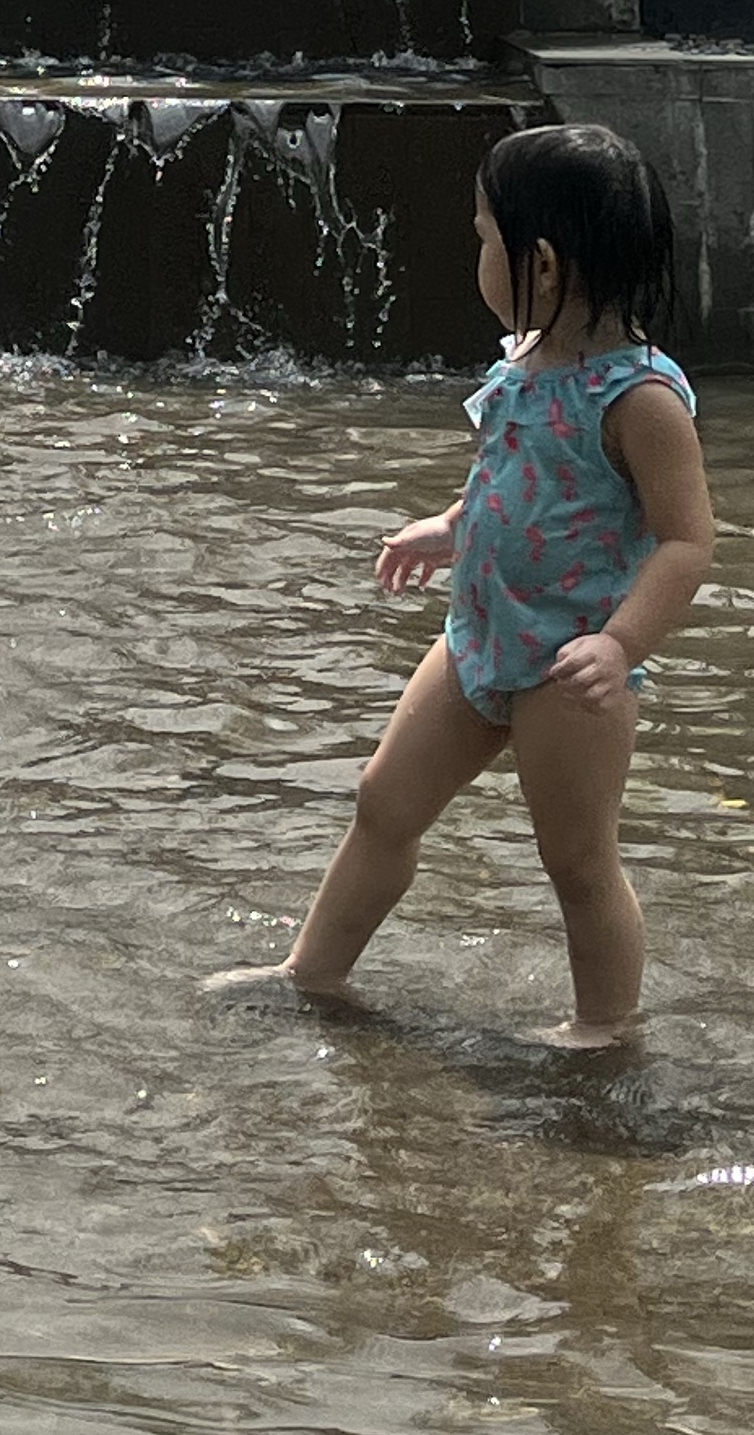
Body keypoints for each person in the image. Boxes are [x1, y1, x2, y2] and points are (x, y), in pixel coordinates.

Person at [210, 121, 715, 1048]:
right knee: (383, 803)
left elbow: (687, 540)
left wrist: (620, 645)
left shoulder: (641, 400)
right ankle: (313, 971)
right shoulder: (523, 358)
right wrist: (451, 528)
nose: (476, 256)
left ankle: (605, 1027)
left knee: (578, 863)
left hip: (568, 667)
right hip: (478, 635)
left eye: (485, 238)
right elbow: (511, 470)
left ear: (544, 265)